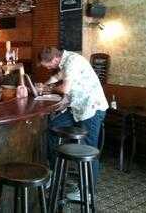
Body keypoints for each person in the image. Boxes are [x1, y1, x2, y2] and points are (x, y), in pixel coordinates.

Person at [38, 46, 108, 201]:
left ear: (55, 59)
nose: (48, 68)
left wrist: (48, 89)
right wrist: (44, 84)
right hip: (77, 108)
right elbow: (57, 76)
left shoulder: (73, 61)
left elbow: (65, 87)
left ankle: (87, 192)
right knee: (52, 129)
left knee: (88, 149)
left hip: (91, 109)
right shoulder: (65, 60)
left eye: (48, 65)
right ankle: (55, 173)